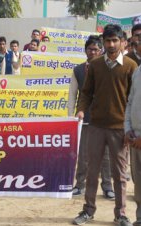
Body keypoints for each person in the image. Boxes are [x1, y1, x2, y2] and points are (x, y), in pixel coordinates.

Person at [72, 24, 137, 226]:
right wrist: (81, 109)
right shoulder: (96, 65)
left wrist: (131, 127)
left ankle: (121, 214)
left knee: (120, 175)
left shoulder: (130, 66)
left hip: (120, 129)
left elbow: (133, 100)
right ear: (103, 42)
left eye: (114, 40)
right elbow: (86, 93)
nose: (110, 44)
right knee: (92, 171)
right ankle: (88, 211)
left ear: (122, 42)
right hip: (96, 126)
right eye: (107, 41)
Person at [68, 35, 114, 199]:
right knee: (83, 156)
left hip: (105, 119)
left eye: (96, 49)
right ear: (85, 50)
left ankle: (108, 187)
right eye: (90, 49)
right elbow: (73, 95)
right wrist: (70, 117)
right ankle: (80, 185)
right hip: (84, 118)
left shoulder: (109, 68)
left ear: (101, 50)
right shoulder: (78, 70)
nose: (93, 52)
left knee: (106, 157)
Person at [124, 34, 141, 226]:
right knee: (138, 184)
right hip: (135, 139)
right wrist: (128, 130)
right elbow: (129, 104)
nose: (136, 44)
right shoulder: (137, 72)